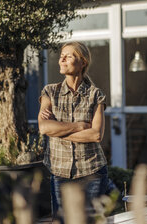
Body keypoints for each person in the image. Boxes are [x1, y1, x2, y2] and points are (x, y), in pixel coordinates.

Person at [38, 41, 108, 221]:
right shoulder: (49, 92)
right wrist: (79, 126)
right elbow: (44, 127)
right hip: (60, 172)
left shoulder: (95, 95)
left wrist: (58, 129)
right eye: (61, 55)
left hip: (92, 171)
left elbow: (96, 134)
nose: (61, 59)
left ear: (82, 62)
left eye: (68, 56)